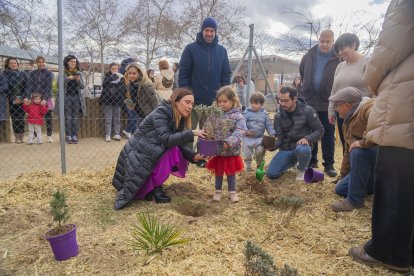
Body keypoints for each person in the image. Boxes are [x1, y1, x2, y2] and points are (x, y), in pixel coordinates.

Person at [349, 0, 414, 273]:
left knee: (395, 178)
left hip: (405, 99)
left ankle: (389, 251)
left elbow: (388, 47)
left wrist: (372, 79)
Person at [112, 88, 208, 210]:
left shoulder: (177, 116)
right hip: (138, 156)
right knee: (172, 152)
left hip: (148, 154)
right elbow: (167, 139)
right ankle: (153, 188)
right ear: (176, 101)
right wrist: (192, 132)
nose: (190, 106)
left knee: (176, 151)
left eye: (192, 104)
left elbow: (177, 142)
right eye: (187, 102)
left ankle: (152, 187)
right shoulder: (161, 112)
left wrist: (194, 156)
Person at [179, 16, 232, 131]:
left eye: (212, 31)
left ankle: (204, 150)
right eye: (206, 30)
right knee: (188, 134)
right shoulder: (190, 49)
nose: (209, 33)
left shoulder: (222, 51)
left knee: (209, 136)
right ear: (202, 31)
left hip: (213, 103)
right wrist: (188, 95)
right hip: (192, 103)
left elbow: (226, 76)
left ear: (215, 32)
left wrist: (223, 96)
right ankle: (186, 150)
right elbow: (183, 74)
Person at [299, 30, 340, 177]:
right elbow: (302, 73)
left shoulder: (338, 58)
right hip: (309, 101)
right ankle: (312, 160)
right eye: (322, 41)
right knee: (310, 131)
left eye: (328, 41)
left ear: (333, 41)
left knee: (328, 133)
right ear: (319, 40)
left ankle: (329, 165)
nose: (324, 44)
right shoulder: (308, 55)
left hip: (327, 102)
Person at [328, 87, 376, 212]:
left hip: (383, 158)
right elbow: (347, 151)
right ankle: (373, 186)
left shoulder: (370, 109)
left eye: (337, 105)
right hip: (368, 164)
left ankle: (355, 201)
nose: (336, 109)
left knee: (358, 151)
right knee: (340, 189)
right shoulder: (347, 121)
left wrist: (363, 143)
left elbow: (379, 128)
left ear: (347, 105)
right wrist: (343, 175)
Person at [267, 86, 324, 181]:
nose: (282, 104)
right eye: (280, 100)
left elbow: (320, 130)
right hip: (286, 149)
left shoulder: (308, 111)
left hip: (301, 147)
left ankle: (302, 169)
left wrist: (308, 138)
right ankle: (292, 162)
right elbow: (280, 139)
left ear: (294, 99)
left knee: (303, 149)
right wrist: (271, 146)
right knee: (271, 174)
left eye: (285, 100)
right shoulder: (278, 116)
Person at [328, 33, 371, 152]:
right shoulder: (340, 66)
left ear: (353, 45)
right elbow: (334, 89)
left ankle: (359, 170)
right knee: (346, 145)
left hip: (360, 114)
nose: (340, 53)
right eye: (338, 51)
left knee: (359, 147)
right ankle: (347, 171)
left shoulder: (368, 62)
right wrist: (331, 110)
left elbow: (375, 89)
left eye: (342, 49)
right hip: (342, 113)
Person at [205, 85, 247, 203]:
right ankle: (217, 191)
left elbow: (241, 130)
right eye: (219, 101)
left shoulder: (237, 116)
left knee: (230, 173)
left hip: (230, 151)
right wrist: (208, 135)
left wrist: (229, 142)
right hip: (218, 151)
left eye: (225, 101)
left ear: (232, 101)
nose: (221, 104)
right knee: (218, 172)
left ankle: (232, 192)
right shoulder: (215, 114)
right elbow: (208, 126)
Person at [122, 63, 159, 136]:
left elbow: (155, 101)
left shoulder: (146, 84)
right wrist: (129, 103)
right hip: (140, 114)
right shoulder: (131, 84)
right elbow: (132, 101)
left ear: (139, 73)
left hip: (149, 114)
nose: (131, 75)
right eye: (129, 73)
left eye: (134, 73)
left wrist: (156, 116)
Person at [242, 92, 275, 171]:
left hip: (259, 138)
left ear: (261, 104)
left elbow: (269, 125)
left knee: (260, 152)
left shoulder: (264, 114)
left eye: (256, 103)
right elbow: (242, 124)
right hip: (248, 138)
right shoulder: (246, 113)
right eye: (252, 103)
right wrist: (246, 131)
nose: (253, 105)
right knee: (247, 153)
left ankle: (259, 165)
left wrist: (272, 134)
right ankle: (248, 165)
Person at [59, 54, 86, 144]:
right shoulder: (63, 72)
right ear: (67, 62)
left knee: (75, 117)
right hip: (66, 97)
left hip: (77, 97)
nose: (73, 63)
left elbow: (82, 86)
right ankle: (68, 136)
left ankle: (74, 135)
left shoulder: (79, 72)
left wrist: (78, 80)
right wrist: (67, 79)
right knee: (68, 117)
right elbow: (59, 84)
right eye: (71, 61)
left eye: (74, 61)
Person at [28, 56, 55, 143]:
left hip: (47, 98)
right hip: (35, 98)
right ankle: (36, 136)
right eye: (39, 62)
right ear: (36, 63)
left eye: (43, 62)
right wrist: (31, 97)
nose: (41, 63)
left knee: (48, 116)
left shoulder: (49, 73)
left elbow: (49, 87)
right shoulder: (32, 73)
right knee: (35, 116)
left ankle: (49, 136)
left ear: (45, 62)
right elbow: (30, 85)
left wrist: (45, 99)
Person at [3, 57, 29, 143]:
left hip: (22, 99)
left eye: (15, 63)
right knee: (14, 118)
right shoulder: (4, 74)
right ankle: (17, 137)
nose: (13, 64)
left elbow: (27, 87)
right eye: (11, 63)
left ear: (17, 64)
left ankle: (22, 136)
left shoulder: (23, 74)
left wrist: (24, 97)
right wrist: (14, 97)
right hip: (11, 99)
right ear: (8, 64)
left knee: (21, 117)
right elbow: (6, 87)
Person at [100, 63, 125, 142]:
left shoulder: (121, 77)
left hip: (117, 101)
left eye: (116, 69)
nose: (114, 70)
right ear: (110, 70)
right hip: (107, 100)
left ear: (118, 69)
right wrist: (112, 77)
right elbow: (104, 85)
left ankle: (116, 134)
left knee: (117, 118)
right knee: (108, 118)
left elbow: (123, 89)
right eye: (112, 69)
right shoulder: (107, 77)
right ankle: (108, 135)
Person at [119, 56, 139, 139]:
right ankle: (128, 130)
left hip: (130, 98)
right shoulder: (126, 77)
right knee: (133, 116)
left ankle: (133, 132)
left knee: (134, 115)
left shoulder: (126, 76)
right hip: (128, 98)